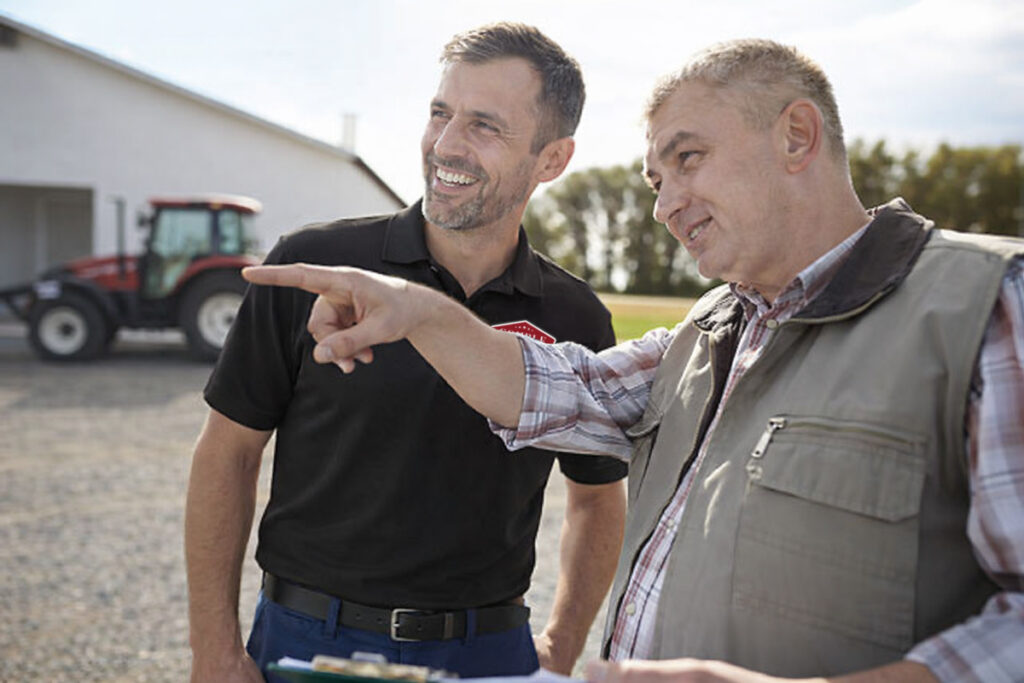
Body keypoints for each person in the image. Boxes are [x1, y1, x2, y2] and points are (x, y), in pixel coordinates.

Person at [241, 39, 1024, 682]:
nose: (664, 202)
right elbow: (556, 386)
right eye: (655, 177)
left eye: (687, 159)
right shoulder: (710, 329)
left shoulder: (985, 303)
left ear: (796, 136)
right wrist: (416, 310)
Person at [184, 22, 628, 683]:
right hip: (307, 639)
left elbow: (596, 499)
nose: (446, 145)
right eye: (439, 114)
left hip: (487, 652)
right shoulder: (317, 265)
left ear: (551, 159)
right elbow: (228, 452)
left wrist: (561, 643)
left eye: (484, 125)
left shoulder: (574, 316)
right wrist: (215, 650)